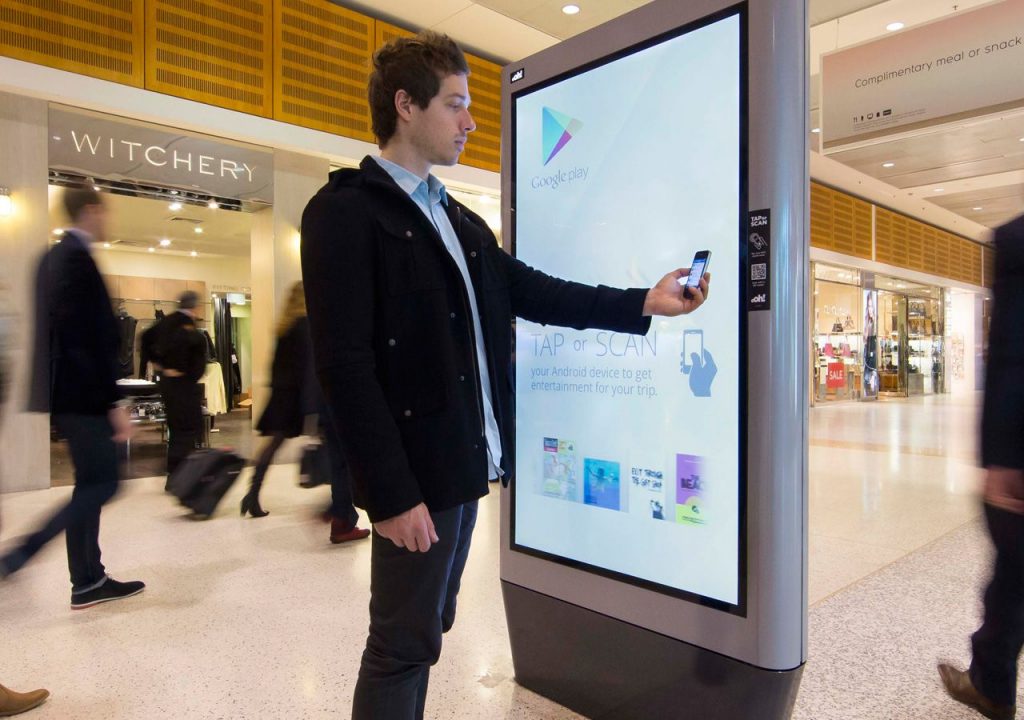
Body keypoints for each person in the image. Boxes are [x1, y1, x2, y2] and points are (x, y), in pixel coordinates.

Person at [299, 31, 711, 720]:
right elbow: (345, 367)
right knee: (400, 645)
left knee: (429, 627)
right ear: (405, 105)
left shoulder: (459, 221)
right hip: (415, 478)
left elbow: (537, 292)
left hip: (464, 467)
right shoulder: (345, 213)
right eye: (455, 104)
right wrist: (391, 496)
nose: (470, 122)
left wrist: (644, 301)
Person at [0, 186, 144, 609]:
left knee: (90, 484)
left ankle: (87, 580)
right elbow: (84, 341)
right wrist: (112, 403)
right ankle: (22, 553)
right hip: (83, 395)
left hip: (69, 393)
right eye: (105, 212)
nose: (107, 221)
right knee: (104, 484)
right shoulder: (75, 259)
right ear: (92, 210)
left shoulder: (52, 258)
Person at [938, 212, 1024, 720]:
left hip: (1018, 465)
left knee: (1014, 572)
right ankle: (990, 679)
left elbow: (1013, 355)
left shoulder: (1017, 240)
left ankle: (991, 683)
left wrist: (1003, 458)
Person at [243, 282, 370, 545]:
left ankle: (252, 494)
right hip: (304, 399)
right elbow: (311, 371)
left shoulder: (284, 326)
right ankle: (337, 512)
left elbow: (278, 366)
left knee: (273, 447)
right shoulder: (307, 325)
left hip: (283, 397)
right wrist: (312, 410)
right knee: (341, 457)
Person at [146, 291, 206, 477]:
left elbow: (146, 337)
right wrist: (182, 370)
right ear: (195, 307)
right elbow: (193, 357)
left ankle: (175, 473)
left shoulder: (167, 322)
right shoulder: (188, 328)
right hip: (184, 385)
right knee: (187, 430)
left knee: (177, 429)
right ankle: (182, 476)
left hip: (169, 384)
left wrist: (159, 365)